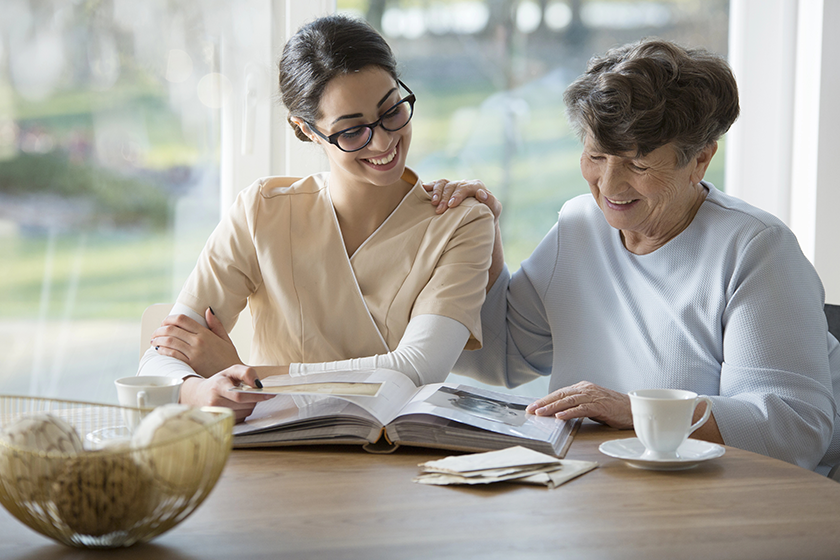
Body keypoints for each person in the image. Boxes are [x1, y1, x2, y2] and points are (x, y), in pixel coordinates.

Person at [429, 38, 840, 473]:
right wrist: (479, 232)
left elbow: (794, 430)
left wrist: (636, 411)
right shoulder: (579, 225)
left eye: (638, 166)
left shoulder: (756, 249)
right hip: (601, 485)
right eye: (595, 156)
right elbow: (500, 355)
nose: (609, 185)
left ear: (700, 159)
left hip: (727, 502)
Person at [138, 14, 495, 422]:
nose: (382, 141)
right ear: (306, 130)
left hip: (394, 467)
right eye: (352, 130)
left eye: (392, 111)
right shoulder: (262, 211)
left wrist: (250, 378)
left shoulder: (460, 223)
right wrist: (199, 391)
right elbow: (161, 356)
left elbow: (416, 370)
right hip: (276, 457)